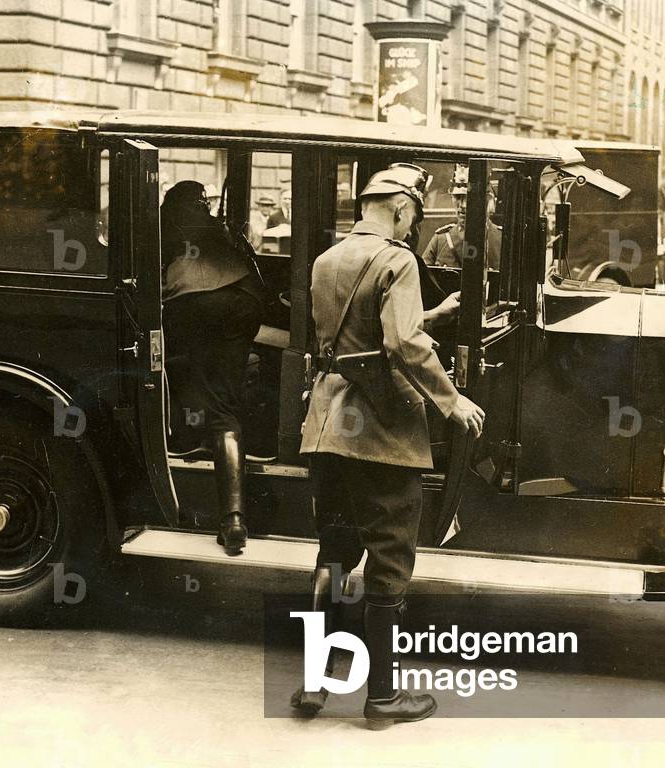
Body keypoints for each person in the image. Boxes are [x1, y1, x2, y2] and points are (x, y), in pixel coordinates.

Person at [294, 163, 485, 728]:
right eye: (414, 219)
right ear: (403, 209)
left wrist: (430, 314)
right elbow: (400, 341)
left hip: (328, 423)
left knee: (333, 551)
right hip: (380, 428)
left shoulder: (327, 259)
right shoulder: (398, 259)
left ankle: (314, 684)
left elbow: (356, 336)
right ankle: (382, 698)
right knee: (389, 559)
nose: (412, 229)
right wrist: (452, 402)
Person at [160, 181, 266, 556]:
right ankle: (233, 518)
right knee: (225, 404)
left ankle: (187, 437)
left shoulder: (165, 221)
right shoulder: (216, 224)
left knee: (178, 368)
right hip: (242, 300)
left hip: (189, 304)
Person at [422, 166, 502, 268]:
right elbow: (423, 279)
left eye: (470, 198)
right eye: (458, 197)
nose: (463, 205)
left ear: (486, 200)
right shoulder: (441, 240)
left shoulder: (502, 240)